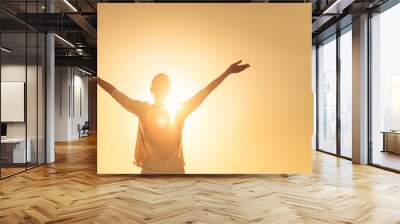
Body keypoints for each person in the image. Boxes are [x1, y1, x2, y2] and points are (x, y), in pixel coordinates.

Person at [96, 60, 250, 174]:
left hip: (159, 171)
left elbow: (115, 93)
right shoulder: (178, 111)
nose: (161, 89)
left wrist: (96, 79)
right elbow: (205, 91)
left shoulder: (148, 110)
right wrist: (227, 72)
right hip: (168, 172)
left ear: (152, 89)